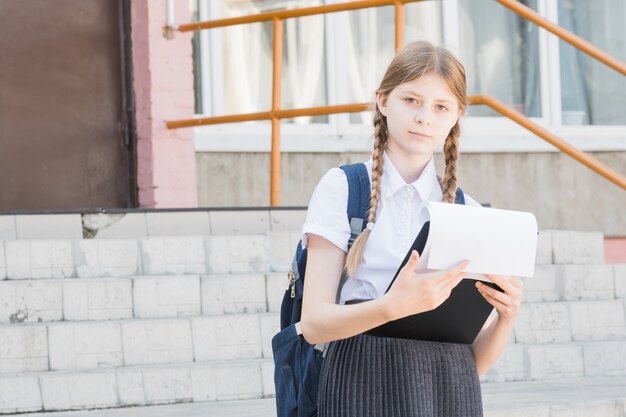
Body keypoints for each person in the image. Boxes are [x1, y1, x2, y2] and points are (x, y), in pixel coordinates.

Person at [299, 41, 524, 417]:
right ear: (383, 101)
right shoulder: (343, 187)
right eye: (411, 100)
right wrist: (391, 306)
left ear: (456, 116)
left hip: (449, 394)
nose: (424, 117)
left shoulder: (466, 211)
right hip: (360, 383)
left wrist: (507, 317)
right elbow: (314, 324)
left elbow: (469, 364)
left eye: (441, 107)